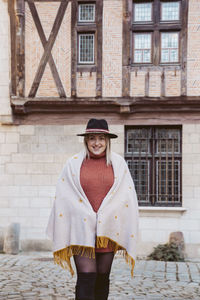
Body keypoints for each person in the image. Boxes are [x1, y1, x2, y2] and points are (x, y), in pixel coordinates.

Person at [46, 118, 139, 300]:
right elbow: (65, 196)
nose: (97, 143)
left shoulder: (119, 165)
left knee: (102, 278)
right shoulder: (72, 164)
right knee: (86, 277)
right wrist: (86, 213)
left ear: (108, 141)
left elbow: (125, 196)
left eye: (101, 138)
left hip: (108, 230)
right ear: (86, 140)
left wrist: (106, 214)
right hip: (81, 229)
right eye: (92, 138)